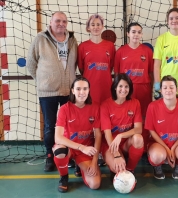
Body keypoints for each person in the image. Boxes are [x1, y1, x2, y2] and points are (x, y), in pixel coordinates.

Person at [26, 11, 77, 172]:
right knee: (50, 125)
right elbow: (31, 63)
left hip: (68, 91)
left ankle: (67, 154)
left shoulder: (72, 40)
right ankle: (50, 155)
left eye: (64, 21)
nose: (61, 24)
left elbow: (74, 63)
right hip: (47, 93)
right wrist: (43, 81)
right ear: (51, 22)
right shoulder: (40, 39)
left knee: (68, 126)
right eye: (58, 21)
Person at [53, 77, 101, 193]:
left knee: (95, 184)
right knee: (59, 152)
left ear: (89, 90)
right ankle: (64, 177)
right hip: (70, 147)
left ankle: (79, 165)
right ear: (73, 91)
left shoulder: (95, 107)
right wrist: (81, 147)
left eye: (85, 89)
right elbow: (58, 137)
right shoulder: (64, 109)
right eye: (78, 89)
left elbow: (98, 136)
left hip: (85, 150)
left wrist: (94, 162)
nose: (82, 92)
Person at [145, 75, 178, 179]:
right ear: (161, 91)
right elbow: (151, 130)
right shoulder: (152, 106)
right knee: (157, 156)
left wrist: (174, 147)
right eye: (165, 87)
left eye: (171, 87)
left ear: (177, 90)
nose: (168, 90)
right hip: (158, 143)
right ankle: (157, 166)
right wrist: (167, 149)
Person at [114, 22, 153, 151]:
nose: (136, 34)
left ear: (141, 34)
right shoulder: (121, 51)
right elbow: (118, 75)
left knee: (143, 118)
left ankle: (144, 146)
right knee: (127, 118)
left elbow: (151, 72)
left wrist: (152, 89)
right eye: (133, 32)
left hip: (143, 89)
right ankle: (127, 146)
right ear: (128, 34)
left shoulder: (147, 51)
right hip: (126, 91)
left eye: (139, 32)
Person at [100, 73, 144, 176]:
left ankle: (130, 169)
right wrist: (116, 155)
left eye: (126, 86)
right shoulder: (105, 105)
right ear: (115, 87)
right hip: (110, 144)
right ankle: (117, 164)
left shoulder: (135, 103)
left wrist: (121, 135)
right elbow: (107, 134)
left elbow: (138, 129)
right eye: (120, 86)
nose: (123, 89)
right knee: (119, 170)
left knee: (138, 139)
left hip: (125, 143)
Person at [78, 14, 115, 105]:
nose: (96, 27)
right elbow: (81, 68)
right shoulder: (82, 46)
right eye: (93, 25)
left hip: (106, 86)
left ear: (102, 26)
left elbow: (111, 66)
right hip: (89, 87)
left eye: (98, 24)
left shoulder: (110, 46)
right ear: (88, 27)